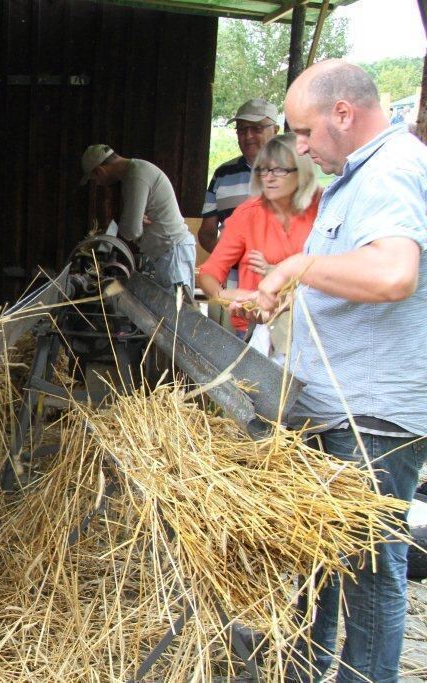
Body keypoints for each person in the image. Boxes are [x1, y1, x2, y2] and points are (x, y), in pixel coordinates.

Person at [240, 59, 427, 682]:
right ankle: (302, 671)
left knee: (370, 575)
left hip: (369, 418)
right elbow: (350, 274)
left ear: (342, 114)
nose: (298, 147)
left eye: (303, 132)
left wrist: (296, 269)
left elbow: (393, 274)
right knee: (322, 561)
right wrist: (291, 290)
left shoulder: (394, 171)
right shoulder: (357, 176)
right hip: (336, 406)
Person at [197, 133, 320, 338]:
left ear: (302, 173)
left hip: (312, 328)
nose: (268, 177)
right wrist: (226, 295)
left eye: (279, 170)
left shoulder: (323, 209)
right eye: (263, 169)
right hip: (258, 327)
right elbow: (208, 273)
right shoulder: (248, 214)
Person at [80, 144, 196, 297]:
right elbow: (133, 223)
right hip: (166, 252)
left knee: (176, 313)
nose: (99, 183)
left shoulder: (136, 175)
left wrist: (130, 220)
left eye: (95, 178)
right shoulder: (132, 175)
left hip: (173, 252)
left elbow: (131, 230)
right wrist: (132, 218)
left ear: (100, 170)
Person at [198, 98, 281, 254]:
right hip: (233, 278)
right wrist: (226, 260)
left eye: (257, 129)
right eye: (242, 130)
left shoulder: (293, 172)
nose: (248, 136)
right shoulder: (223, 174)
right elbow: (207, 233)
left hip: (281, 277)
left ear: (275, 130)